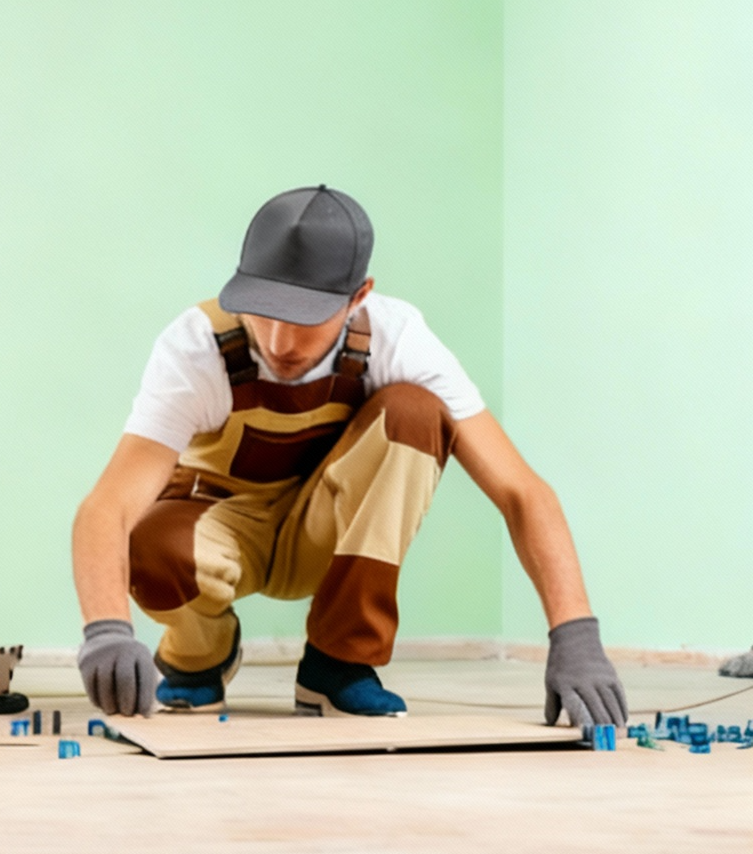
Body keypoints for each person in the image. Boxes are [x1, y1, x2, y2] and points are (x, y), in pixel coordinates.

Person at [71, 185, 626, 726]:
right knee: (147, 546)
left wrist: (575, 635)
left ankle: (338, 663)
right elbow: (108, 508)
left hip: (326, 531)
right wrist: (106, 630)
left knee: (416, 412)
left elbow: (520, 490)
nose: (280, 343)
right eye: (263, 310)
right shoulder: (196, 346)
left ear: (359, 296)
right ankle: (200, 655)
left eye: (306, 317)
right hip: (218, 531)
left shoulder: (398, 337)